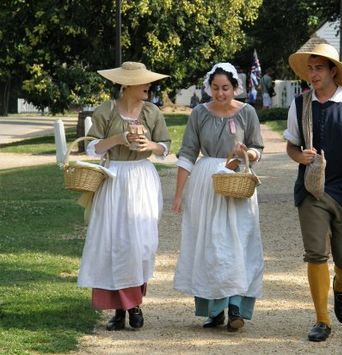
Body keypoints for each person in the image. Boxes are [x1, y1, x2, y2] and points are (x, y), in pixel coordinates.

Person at [284, 43, 342, 342]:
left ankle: (340, 285)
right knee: (316, 254)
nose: (312, 74)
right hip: (312, 190)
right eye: (309, 68)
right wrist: (300, 157)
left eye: (318, 68)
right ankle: (322, 320)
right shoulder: (299, 104)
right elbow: (291, 145)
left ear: (333, 70)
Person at [77, 61, 171, 331]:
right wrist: (117, 139)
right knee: (114, 243)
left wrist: (150, 145)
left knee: (140, 245)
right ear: (127, 85)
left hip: (141, 177)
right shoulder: (106, 110)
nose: (148, 86)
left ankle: (134, 302)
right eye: (144, 82)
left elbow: (164, 147)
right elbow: (92, 148)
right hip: (115, 178)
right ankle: (121, 309)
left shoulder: (152, 112)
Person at [172, 62, 264, 332]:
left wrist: (248, 153)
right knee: (210, 246)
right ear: (208, 88)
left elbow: (258, 148)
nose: (221, 93)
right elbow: (188, 152)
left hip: (237, 181)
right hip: (207, 183)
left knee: (238, 244)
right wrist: (178, 194)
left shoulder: (247, 113)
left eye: (225, 88)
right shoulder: (199, 113)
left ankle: (236, 307)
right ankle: (214, 311)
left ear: (235, 87)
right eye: (215, 88)